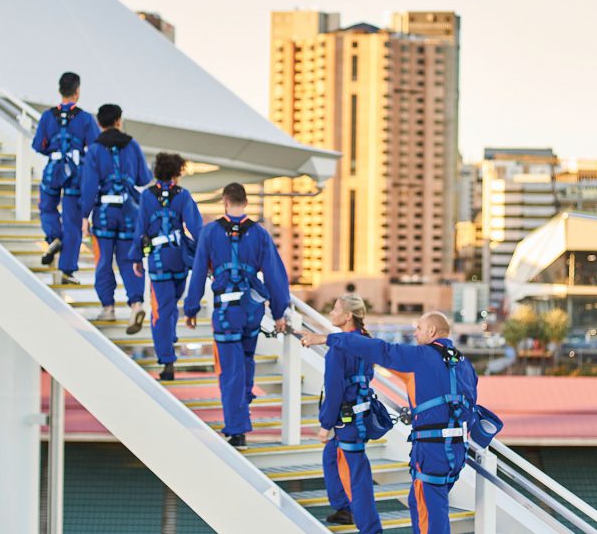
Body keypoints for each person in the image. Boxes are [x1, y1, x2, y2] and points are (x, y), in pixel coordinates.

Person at [302, 311, 477, 534]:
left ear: (431, 331)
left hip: (433, 450)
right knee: (418, 502)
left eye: (419, 328)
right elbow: (471, 406)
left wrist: (327, 338)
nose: (414, 333)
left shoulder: (421, 356)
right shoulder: (464, 363)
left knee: (429, 513)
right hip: (457, 449)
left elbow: (380, 350)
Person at [182, 183, 290, 446]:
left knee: (230, 369)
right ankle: (242, 407)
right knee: (246, 360)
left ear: (225, 202)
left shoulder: (209, 232)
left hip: (226, 311)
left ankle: (236, 428)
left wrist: (191, 307)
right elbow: (275, 275)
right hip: (252, 310)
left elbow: (198, 273)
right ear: (246, 202)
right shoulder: (260, 234)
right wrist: (279, 312)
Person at [129, 152, 203, 380]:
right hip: (179, 258)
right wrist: (206, 255)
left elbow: (140, 227)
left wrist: (136, 257)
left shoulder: (147, 197)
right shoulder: (183, 195)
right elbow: (196, 227)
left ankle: (167, 360)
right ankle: (169, 338)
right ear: (177, 173)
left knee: (161, 310)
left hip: (158, 260)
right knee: (171, 304)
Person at [80, 104, 152, 325]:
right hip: (130, 212)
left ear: (99, 123)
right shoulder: (132, 146)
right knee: (129, 260)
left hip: (104, 213)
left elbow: (89, 186)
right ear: (119, 121)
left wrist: (85, 215)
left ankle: (108, 307)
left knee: (103, 261)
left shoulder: (94, 149)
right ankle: (136, 305)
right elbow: (144, 178)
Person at [317, 295, 383, 532]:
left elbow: (335, 388)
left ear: (347, 317)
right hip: (359, 415)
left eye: (335, 310)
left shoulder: (338, 348)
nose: (331, 314)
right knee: (331, 457)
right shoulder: (365, 342)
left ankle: (370, 528)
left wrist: (326, 424)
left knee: (357, 475)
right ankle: (343, 508)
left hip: (346, 420)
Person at [33, 72, 100, 284]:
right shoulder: (85, 118)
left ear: (60, 90)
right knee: (72, 219)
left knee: (47, 207)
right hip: (76, 172)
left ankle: (54, 237)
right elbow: (95, 148)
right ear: (77, 91)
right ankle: (67, 269)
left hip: (53, 169)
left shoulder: (47, 117)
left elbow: (37, 145)